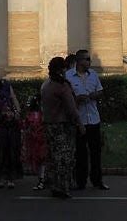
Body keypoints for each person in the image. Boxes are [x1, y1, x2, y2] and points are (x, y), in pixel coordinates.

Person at [39, 55, 82, 199]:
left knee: (52, 156)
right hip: (63, 126)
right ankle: (64, 187)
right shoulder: (62, 86)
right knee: (65, 157)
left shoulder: (45, 85)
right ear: (62, 69)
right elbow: (71, 109)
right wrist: (80, 124)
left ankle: (54, 185)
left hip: (49, 125)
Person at [67, 48, 108, 190]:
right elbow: (66, 97)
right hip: (79, 120)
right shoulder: (69, 76)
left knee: (96, 152)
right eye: (87, 59)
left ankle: (97, 181)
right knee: (80, 153)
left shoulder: (93, 75)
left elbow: (101, 91)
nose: (89, 62)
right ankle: (81, 181)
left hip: (93, 119)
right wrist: (76, 99)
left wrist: (93, 96)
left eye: (89, 59)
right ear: (79, 61)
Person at [21, 97, 47, 190]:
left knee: (40, 160)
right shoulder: (40, 114)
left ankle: (42, 179)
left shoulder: (32, 115)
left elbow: (26, 126)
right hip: (39, 140)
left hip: (38, 140)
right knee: (41, 160)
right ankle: (42, 179)